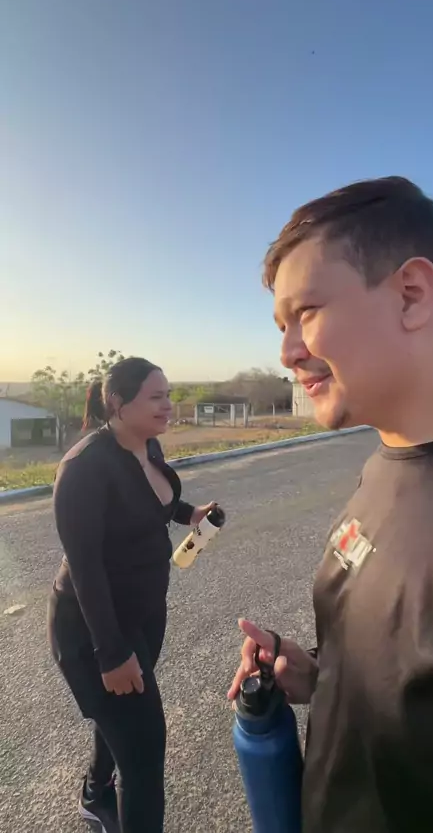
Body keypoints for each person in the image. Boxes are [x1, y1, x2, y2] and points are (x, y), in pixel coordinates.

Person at [228, 177, 433, 832]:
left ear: (411, 293)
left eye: (306, 312)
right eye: (281, 327)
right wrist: (324, 677)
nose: (287, 353)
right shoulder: (387, 459)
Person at [48, 357, 217, 833]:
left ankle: (94, 792)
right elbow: (86, 569)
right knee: (144, 753)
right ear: (118, 403)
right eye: (156, 397)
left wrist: (189, 514)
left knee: (122, 722)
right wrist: (112, 652)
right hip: (94, 629)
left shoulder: (147, 445)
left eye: (169, 395)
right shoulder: (83, 468)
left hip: (143, 615)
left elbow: (152, 501)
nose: (169, 405)